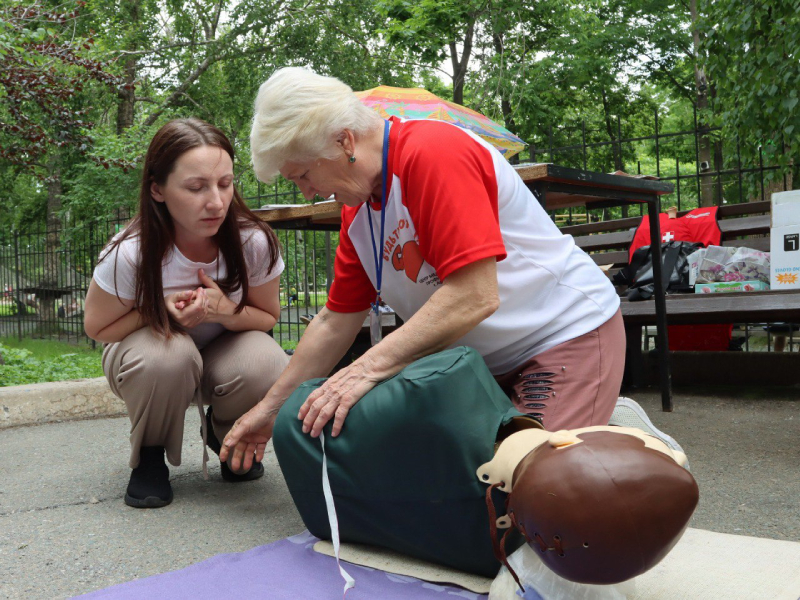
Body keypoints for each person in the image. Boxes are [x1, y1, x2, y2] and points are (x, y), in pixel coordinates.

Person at [222, 67, 646, 472]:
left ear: (343, 141)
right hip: (477, 367)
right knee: (431, 484)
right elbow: (334, 322)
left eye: (303, 175)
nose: (308, 192)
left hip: (563, 337)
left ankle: (627, 438)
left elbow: (473, 295)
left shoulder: (433, 153)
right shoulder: (357, 213)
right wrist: (268, 411)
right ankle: (599, 422)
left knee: (523, 486)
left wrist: (363, 370)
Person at [84, 118, 288, 508]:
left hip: (222, 354)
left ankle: (228, 435)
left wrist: (226, 311)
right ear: (157, 190)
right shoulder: (130, 252)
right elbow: (98, 328)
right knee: (168, 355)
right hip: (145, 357)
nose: (216, 202)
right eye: (196, 187)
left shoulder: (254, 240)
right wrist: (156, 311)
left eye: (225, 184)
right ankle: (149, 457)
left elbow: (267, 318)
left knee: (267, 360)